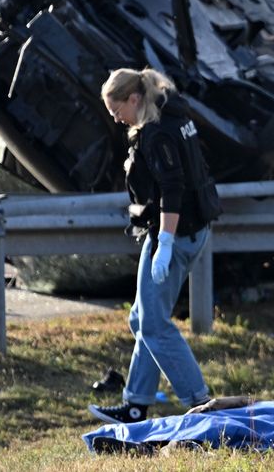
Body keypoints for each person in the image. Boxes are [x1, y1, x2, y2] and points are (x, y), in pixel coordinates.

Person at [89, 68, 221, 424]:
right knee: (141, 318)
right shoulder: (175, 115)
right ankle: (135, 404)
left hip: (175, 233)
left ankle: (199, 402)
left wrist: (165, 242)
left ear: (134, 99)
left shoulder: (157, 133)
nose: (115, 119)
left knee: (154, 325)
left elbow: (173, 188)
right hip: (184, 229)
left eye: (117, 110)